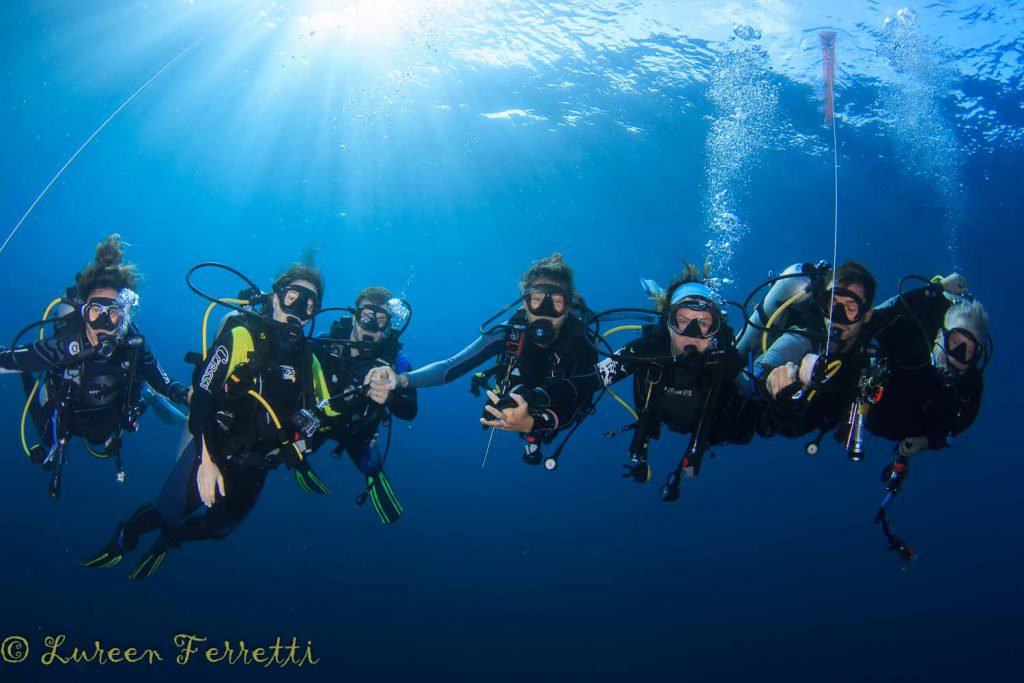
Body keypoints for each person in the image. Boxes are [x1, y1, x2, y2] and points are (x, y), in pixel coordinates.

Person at [82, 258, 337, 579]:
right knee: (167, 511)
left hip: (257, 463)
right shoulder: (243, 336)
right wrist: (206, 459)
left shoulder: (308, 359)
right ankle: (125, 537)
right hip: (214, 447)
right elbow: (201, 396)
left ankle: (170, 541)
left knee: (219, 528)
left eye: (310, 304)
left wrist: (307, 440)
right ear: (275, 297)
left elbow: (326, 411)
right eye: (292, 297)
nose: (299, 309)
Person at [547, 263, 759, 498]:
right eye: (682, 320)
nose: (692, 333)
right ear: (668, 322)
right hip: (660, 416)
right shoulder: (647, 350)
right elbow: (590, 380)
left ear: (716, 330)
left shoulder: (725, 363)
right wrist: (539, 396)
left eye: (704, 324)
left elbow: (758, 406)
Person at [366, 253, 598, 467]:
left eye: (557, 302)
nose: (545, 311)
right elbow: (450, 367)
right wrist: (400, 380)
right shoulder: (509, 333)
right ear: (524, 303)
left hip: (556, 407)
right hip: (517, 392)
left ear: (568, 307)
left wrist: (533, 424)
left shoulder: (580, 340)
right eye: (536, 300)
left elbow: (584, 394)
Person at [0, 234, 188, 496]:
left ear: (123, 318)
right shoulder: (66, 346)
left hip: (112, 420)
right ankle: (29, 377)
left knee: (136, 408)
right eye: (95, 312)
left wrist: (187, 395)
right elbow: (7, 358)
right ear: (83, 312)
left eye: (113, 315)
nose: (104, 325)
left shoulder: (131, 345)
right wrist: (26, 364)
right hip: (66, 418)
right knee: (45, 431)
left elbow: (165, 382)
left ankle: (163, 408)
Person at [311, 286, 416, 524]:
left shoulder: (396, 362)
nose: (371, 326)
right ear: (354, 315)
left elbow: (411, 412)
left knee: (371, 464)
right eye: (366, 316)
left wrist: (390, 397)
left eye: (380, 320)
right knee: (289, 446)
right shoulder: (324, 344)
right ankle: (297, 461)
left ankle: (373, 478)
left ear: (388, 326)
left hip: (359, 430)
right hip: (319, 422)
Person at [754, 260, 877, 448]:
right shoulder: (804, 338)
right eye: (832, 305)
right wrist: (774, 379)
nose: (838, 318)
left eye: (850, 309)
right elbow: (764, 365)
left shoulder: (873, 341)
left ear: (867, 314)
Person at [864, 274, 987, 458]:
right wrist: (936, 290)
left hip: (902, 430)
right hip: (864, 407)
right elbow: (870, 320)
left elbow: (960, 423)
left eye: (969, 352)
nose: (958, 357)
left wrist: (928, 441)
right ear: (940, 335)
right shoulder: (909, 338)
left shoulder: (969, 386)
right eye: (955, 342)